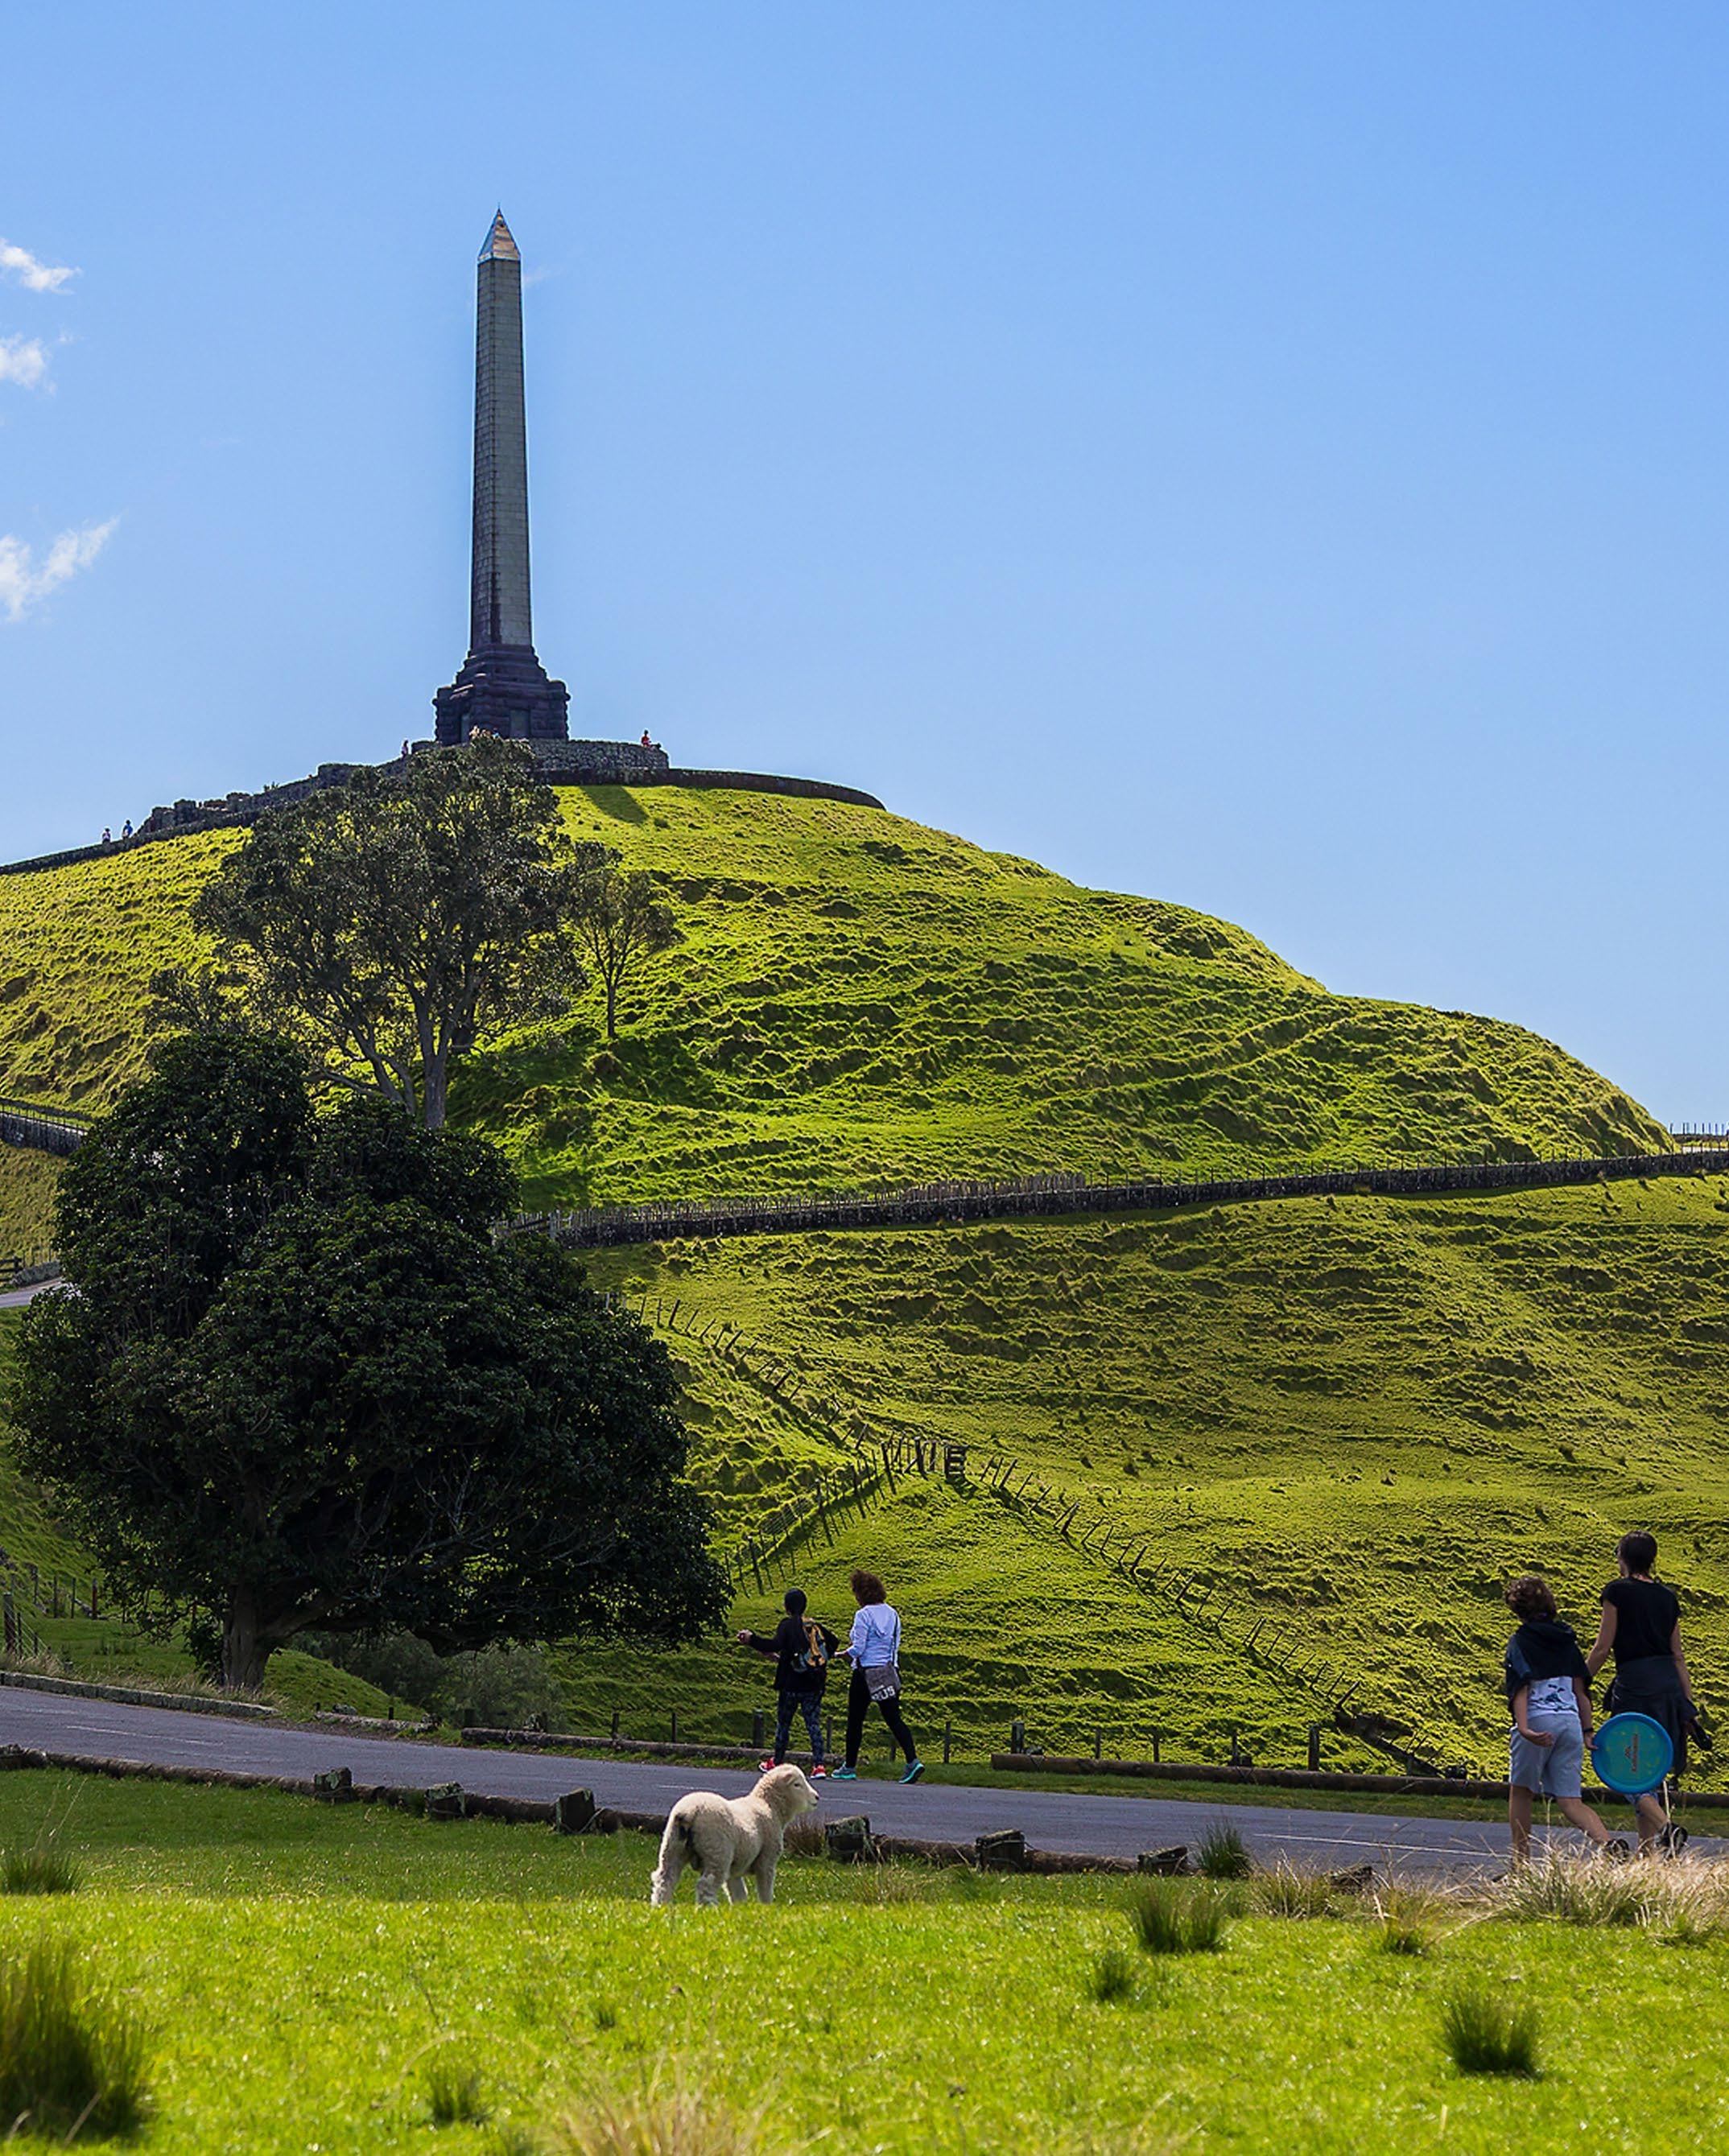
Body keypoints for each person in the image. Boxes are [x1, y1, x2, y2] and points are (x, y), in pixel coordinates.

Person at [1587, 1530, 1697, 1853]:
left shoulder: (1616, 1591)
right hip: (1668, 1687)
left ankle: (1666, 1828)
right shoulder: (1667, 1597)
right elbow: (1678, 1655)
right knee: (1649, 1769)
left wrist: (1579, 1681)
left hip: (1635, 1685)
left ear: (1623, 1557)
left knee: (1625, 1768)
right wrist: (1687, 1704)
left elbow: (1603, 1647)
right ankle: (1647, 1855)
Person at [1503, 1575, 1625, 1865]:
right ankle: (1609, 1844)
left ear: (1518, 1610)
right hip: (1570, 1721)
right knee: (1571, 1801)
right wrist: (1587, 1729)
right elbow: (1581, 1690)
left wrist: (1524, 1728)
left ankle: (1520, 1866)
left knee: (1521, 1793)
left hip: (1537, 1719)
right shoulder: (1568, 1642)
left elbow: (1521, 1686)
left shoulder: (1520, 1641)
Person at [833, 1569, 922, 1784]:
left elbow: (859, 1648)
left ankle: (849, 1766)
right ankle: (912, 1760)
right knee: (893, 1718)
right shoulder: (893, 1614)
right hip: (887, 1671)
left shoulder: (863, 1615)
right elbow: (894, 1645)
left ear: (861, 1593)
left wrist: (840, 1655)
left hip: (865, 1673)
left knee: (855, 1721)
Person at [737, 1586, 836, 1778]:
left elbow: (774, 1645)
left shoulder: (787, 1625)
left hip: (791, 1684)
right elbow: (832, 1645)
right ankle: (819, 1765)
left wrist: (752, 1640)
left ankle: (777, 1761)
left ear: (787, 1607)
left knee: (784, 1723)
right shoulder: (814, 1626)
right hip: (814, 1684)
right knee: (813, 1724)